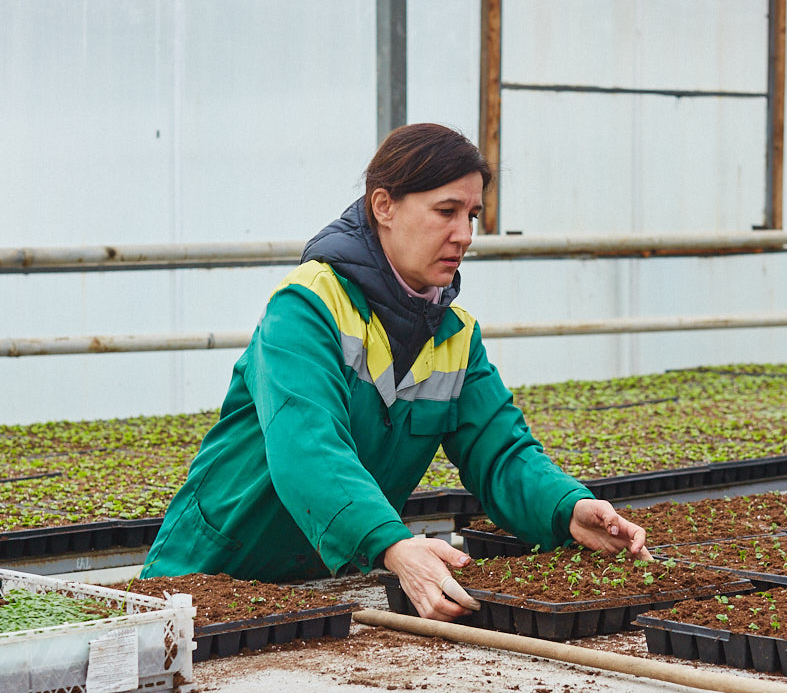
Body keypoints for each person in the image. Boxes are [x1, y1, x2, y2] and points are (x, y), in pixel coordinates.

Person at [140, 123, 649, 621]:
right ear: (384, 206)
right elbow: (308, 448)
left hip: (321, 590)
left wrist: (567, 509)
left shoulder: (454, 335)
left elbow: (500, 453)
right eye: (446, 211)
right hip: (207, 580)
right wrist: (392, 543)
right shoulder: (307, 306)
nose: (465, 235)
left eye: (472, 215)